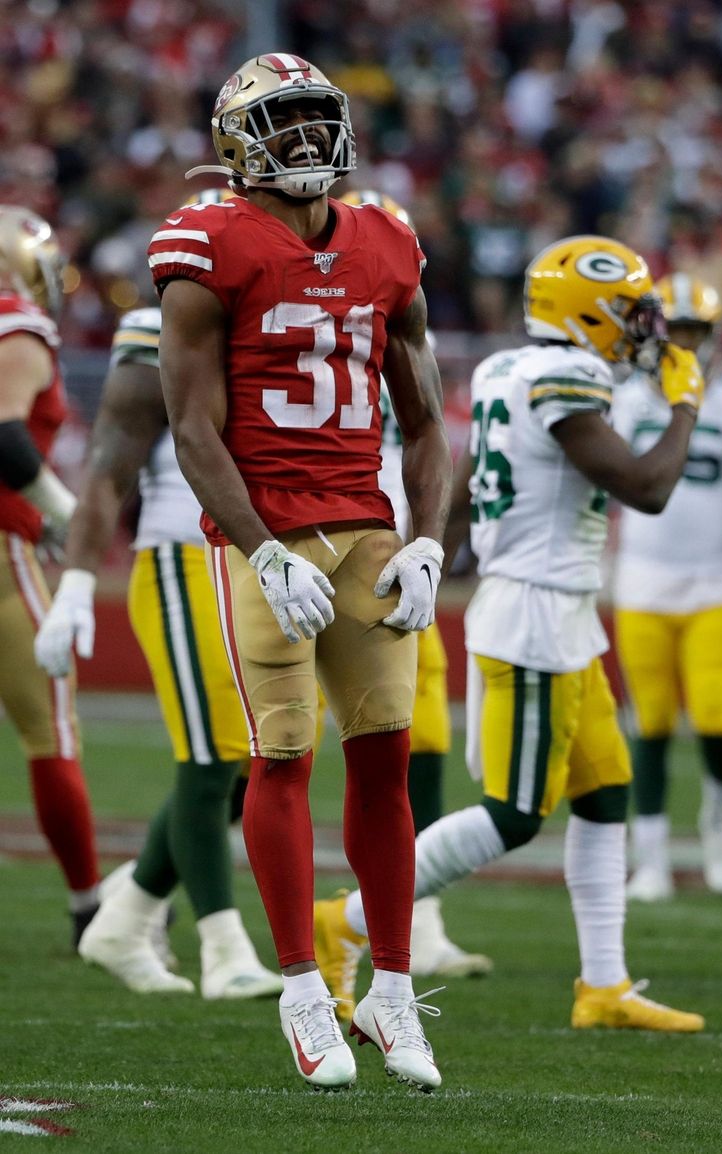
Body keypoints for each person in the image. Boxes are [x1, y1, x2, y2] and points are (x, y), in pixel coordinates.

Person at [147, 54, 452, 1091]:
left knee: (387, 755)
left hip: (365, 523)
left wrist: (427, 537)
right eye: (285, 123)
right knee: (282, 755)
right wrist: (260, 548)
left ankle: (392, 985)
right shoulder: (208, 240)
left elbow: (423, 421)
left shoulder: (387, 239)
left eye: (319, 119)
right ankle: (300, 989)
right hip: (264, 529)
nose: (309, 140)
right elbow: (191, 427)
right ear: (238, 140)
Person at [315, 234, 707, 1034]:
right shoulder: (567, 374)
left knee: (605, 792)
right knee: (516, 813)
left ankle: (604, 985)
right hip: (532, 614)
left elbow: (469, 491)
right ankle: (345, 919)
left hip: (553, 608)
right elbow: (648, 487)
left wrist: (444, 556)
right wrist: (687, 405)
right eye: (629, 314)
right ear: (588, 314)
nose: (642, 331)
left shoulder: (506, 368)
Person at [34, 200, 284, 1000]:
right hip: (183, 556)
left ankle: (124, 914)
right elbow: (109, 464)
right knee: (210, 758)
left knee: (249, 759)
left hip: (256, 562)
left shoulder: (290, 319)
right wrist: (76, 580)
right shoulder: (160, 324)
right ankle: (222, 946)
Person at [312, 189, 492, 1005]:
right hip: (316, 545)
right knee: (263, 749)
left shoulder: (392, 321)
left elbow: (429, 437)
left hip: (392, 551)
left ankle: (417, 916)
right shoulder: (298, 320)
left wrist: (430, 541)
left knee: (415, 742)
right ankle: (156, 896)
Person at [612, 275, 722, 901]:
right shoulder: (627, 398)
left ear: (711, 338)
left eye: (693, 332)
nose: (681, 342)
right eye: (673, 330)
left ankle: (719, 822)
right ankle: (649, 854)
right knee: (648, 723)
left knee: (714, 720)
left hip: (710, 580)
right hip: (643, 581)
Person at [0, 204, 102, 947]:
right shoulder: (19, 329)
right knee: (51, 731)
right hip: (4, 551)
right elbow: (5, 436)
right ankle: (89, 908)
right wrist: (66, 515)